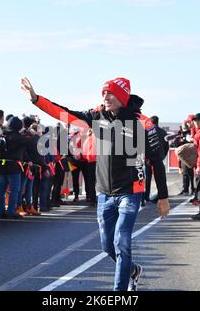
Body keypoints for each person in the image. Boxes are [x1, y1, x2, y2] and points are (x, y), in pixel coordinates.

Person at [21, 77, 170, 292]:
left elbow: (156, 160)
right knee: (107, 245)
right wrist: (36, 99)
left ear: (122, 96)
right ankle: (131, 271)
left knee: (121, 242)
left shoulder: (143, 123)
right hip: (104, 193)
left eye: (110, 93)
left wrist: (162, 196)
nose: (105, 97)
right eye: (103, 93)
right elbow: (65, 114)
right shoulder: (96, 115)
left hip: (131, 191)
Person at [0, 116, 28, 219]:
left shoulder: (2, 135)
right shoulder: (18, 137)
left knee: (1, 189)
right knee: (15, 189)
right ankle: (11, 210)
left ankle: (1, 210)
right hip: (14, 166)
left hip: (2, 165)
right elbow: (27, 145)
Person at [144, 116, 168, 204]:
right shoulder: (163, 132)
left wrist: (146, 158)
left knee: (147, 179)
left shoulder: (147, 131)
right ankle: (161, 196)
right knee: (161, 179)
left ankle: (146, 196)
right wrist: (162, 156)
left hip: (149, 160)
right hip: (158, 159)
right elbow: (166, 146)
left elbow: (144, 145)